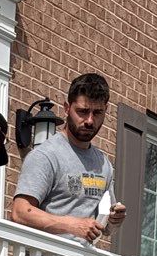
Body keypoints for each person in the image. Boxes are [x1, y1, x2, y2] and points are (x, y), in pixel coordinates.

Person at [12, 74, 126, 243]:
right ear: (66, 108)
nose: (89, 120)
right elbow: (20, 212)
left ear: (105, 111)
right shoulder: (46, 155)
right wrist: (72, 225)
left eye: (97, 113)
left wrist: (113, 220)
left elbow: (105, 228)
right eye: (82, 111)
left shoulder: (104, 164)